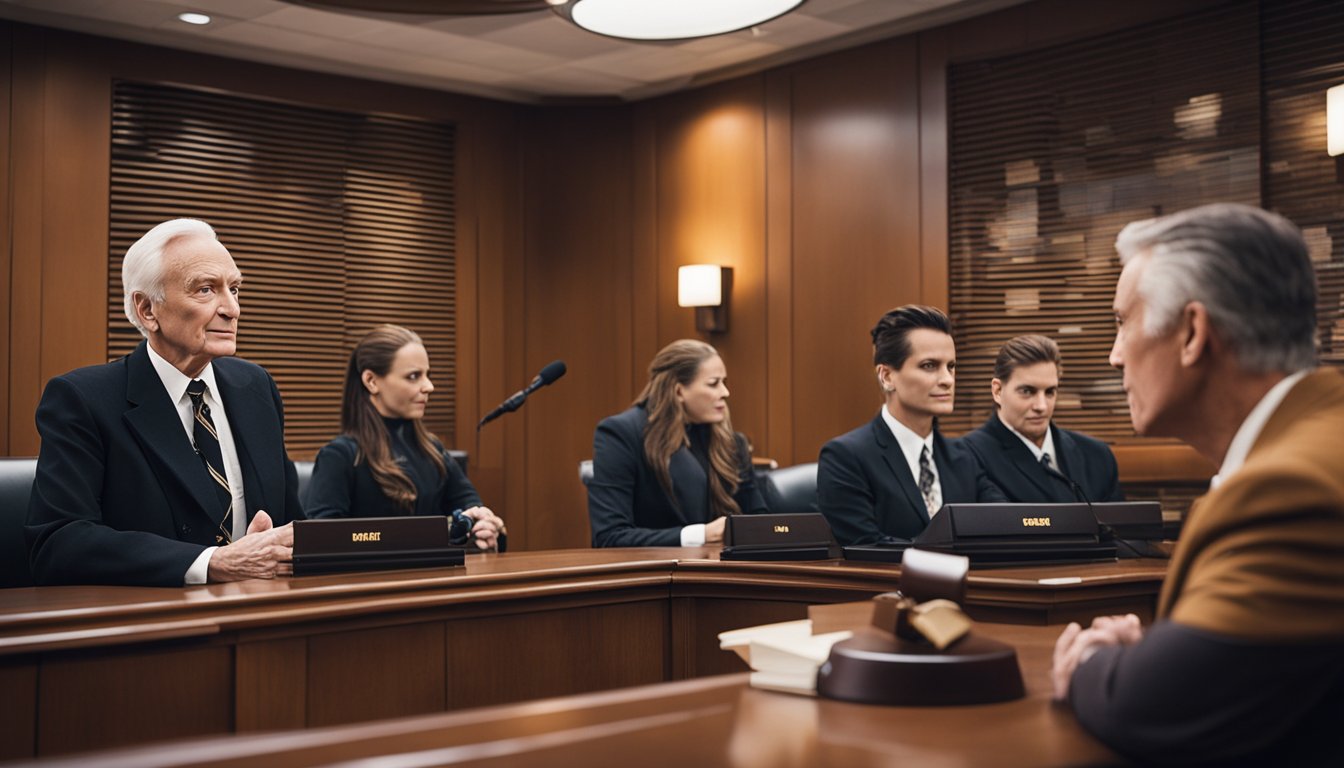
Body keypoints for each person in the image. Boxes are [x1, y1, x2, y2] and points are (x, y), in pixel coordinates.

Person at [1051, 203, 1344, 765]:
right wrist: (1165, 653)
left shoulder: (1292, 489)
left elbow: (1147, 706)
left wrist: (1090, 661)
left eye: (1121, 321)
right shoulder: (1312, 440)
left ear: (1191, 333)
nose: (1114, 358)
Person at [25, 219, 301, 587]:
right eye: (206, 290)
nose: (232, 309)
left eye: (234, 289)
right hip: (150, 623)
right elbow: (57, 543)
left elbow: (294, 524)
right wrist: (211, 563)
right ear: (147, 310)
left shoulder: (256, 387)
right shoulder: (82, 399)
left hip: (264, 616)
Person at [303, 325, 505, 551]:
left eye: (427, 375)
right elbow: (322, 543)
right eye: (413, 376)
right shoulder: (340, 456)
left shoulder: (433, 449)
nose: (429, 386)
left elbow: (469, 504)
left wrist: (483, 524)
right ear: (371, 381)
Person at [817, 305, 1005, 546]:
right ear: (887, 376)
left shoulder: (965, 456)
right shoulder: (845, 457)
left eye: (951, 366)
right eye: (929, 366)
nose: (947, 380)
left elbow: (1003, 523)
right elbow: (865, 548)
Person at [588, 339, 766, 547]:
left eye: (724, 382)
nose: (725, 393)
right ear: (679, 391)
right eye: (713, 383)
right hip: (654, 574)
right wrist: (701, 534)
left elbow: (758, 518)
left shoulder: (733, 443)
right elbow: (609, 537)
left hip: (726, 572)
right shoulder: (620, 434)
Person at [961, 335, 1122, 504]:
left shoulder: (1097, 456)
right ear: (998, 391)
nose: (1041, 406)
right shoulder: (969, 458)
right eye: (1027, 391)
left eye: (1050, 392)